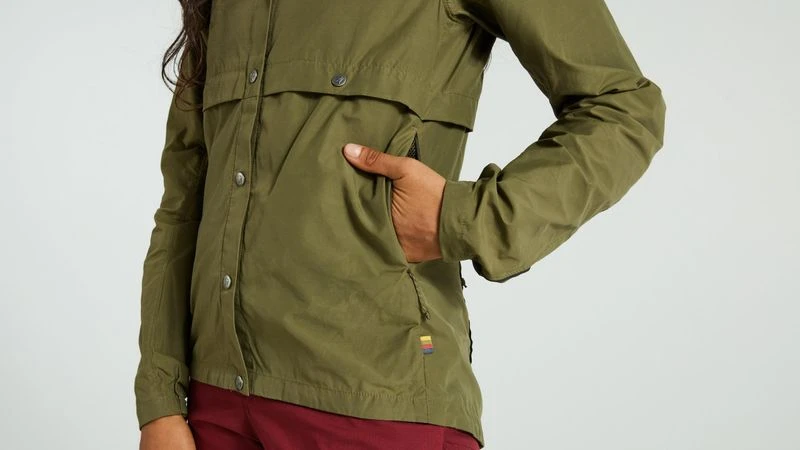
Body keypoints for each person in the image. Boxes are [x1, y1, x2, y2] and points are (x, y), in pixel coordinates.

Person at [135, 0, 666, 449]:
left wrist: (462, 219)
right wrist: (160, 401)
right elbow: (184, 204)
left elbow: (624, 109)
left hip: (376, 409)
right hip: (213, 410)